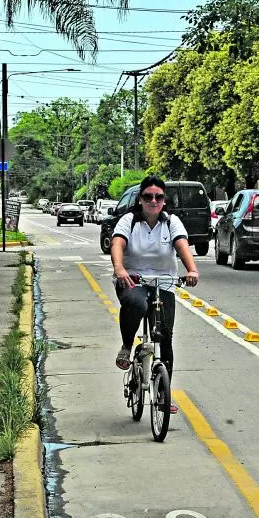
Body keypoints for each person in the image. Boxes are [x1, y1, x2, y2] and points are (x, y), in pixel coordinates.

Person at [110, 176, 200, 413]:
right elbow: (117, 243)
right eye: (148, 196)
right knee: (137, 304)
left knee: (165, 337)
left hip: (163, 282)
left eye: (158, 197)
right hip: (132, 279)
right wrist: (119, 269)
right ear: (140, 199)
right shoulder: (129, 221)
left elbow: (182, 244)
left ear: (164, 200)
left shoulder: (171, 222)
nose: (153, 200)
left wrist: (191, 269)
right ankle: (127, 346)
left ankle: (163, 395)